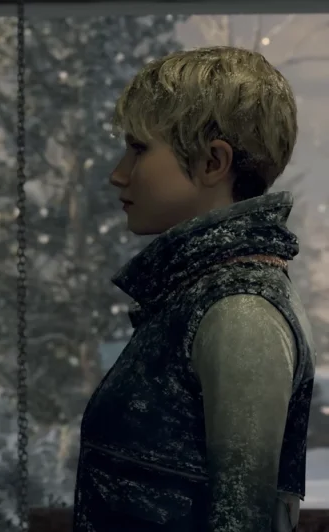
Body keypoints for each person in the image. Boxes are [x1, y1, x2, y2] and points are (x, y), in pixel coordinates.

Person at [73, 46, 314, 532]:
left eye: (139, 149)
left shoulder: (238, 312)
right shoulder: (201, 297)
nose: (118, 173)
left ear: (212, 162)